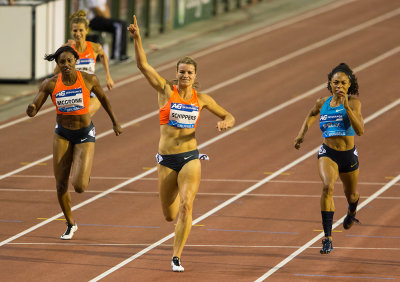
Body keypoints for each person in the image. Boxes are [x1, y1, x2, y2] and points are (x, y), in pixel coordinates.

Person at [128, 15, 235, 272]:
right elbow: (143, 65)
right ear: (176, 74)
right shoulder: (166, 90)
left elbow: (229, 115)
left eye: (189, 72)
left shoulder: (203, 99)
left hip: (190, 158)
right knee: (169, 214)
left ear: (195, 75)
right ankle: (176, 225)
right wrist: (138, 39)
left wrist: (225, 124)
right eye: (182, 71)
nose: (185, 75)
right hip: (166, 159)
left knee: (188, 205)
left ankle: (176, 256)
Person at [26, 46, 123, 240]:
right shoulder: (50, 84)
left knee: (79, 186)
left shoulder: (88, 80)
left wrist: (115, 122)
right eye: (62, 62)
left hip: (84, 133)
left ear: (75, 61)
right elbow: (35, 106)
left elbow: (103, 99)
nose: (66, 65)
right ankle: (70, 223)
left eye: (69, 61)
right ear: (58, 64)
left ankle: (83, 174)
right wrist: (31, 109)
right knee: (61, 185)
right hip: (61, 134)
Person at [294, 63, 364, 254]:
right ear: (330, 84)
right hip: (328, 153)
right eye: (335, 83)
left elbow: (361, 130)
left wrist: (347, 107)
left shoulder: (354, 103)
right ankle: (328, 238)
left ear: (349, 85)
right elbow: (312, 113)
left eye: (343, 82)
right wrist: (302, 134)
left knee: (351, 195)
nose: (339, 86)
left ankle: (352, 210)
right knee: (328, 187)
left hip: (348, 155)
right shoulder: (322, 102)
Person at [55, 10, 114, 117]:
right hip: (72, 93)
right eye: (75, 30)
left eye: (81, 30)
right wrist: (64, 52)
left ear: (87, 30)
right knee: (74, 122)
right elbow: (55, 73)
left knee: (85, 116)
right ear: (71, 31)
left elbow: (103, 55)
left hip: (89, 91)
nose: (78, 34)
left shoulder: (94, 47)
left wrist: (108, 76)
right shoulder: (66, 49)